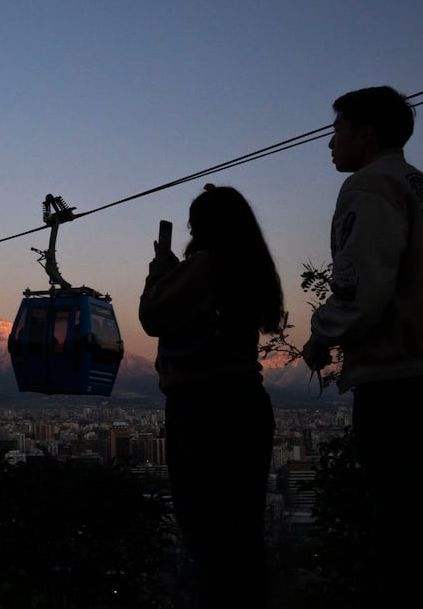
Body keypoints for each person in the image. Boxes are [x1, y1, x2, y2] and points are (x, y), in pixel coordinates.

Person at [302, 86, 423, 607]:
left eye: (338, 130)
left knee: (400, 538)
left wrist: (322, 336)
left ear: (367, 134)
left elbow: (359, 287)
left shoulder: (371, 187)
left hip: (397, 389)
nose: (329, 143)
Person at [139, 184, 283, 608]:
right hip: (246, 405)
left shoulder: (205, 265)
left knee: (206, 536)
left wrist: (160, 267)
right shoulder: (252, 268)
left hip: (202, 410)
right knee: (242, 535)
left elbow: (152, 314)